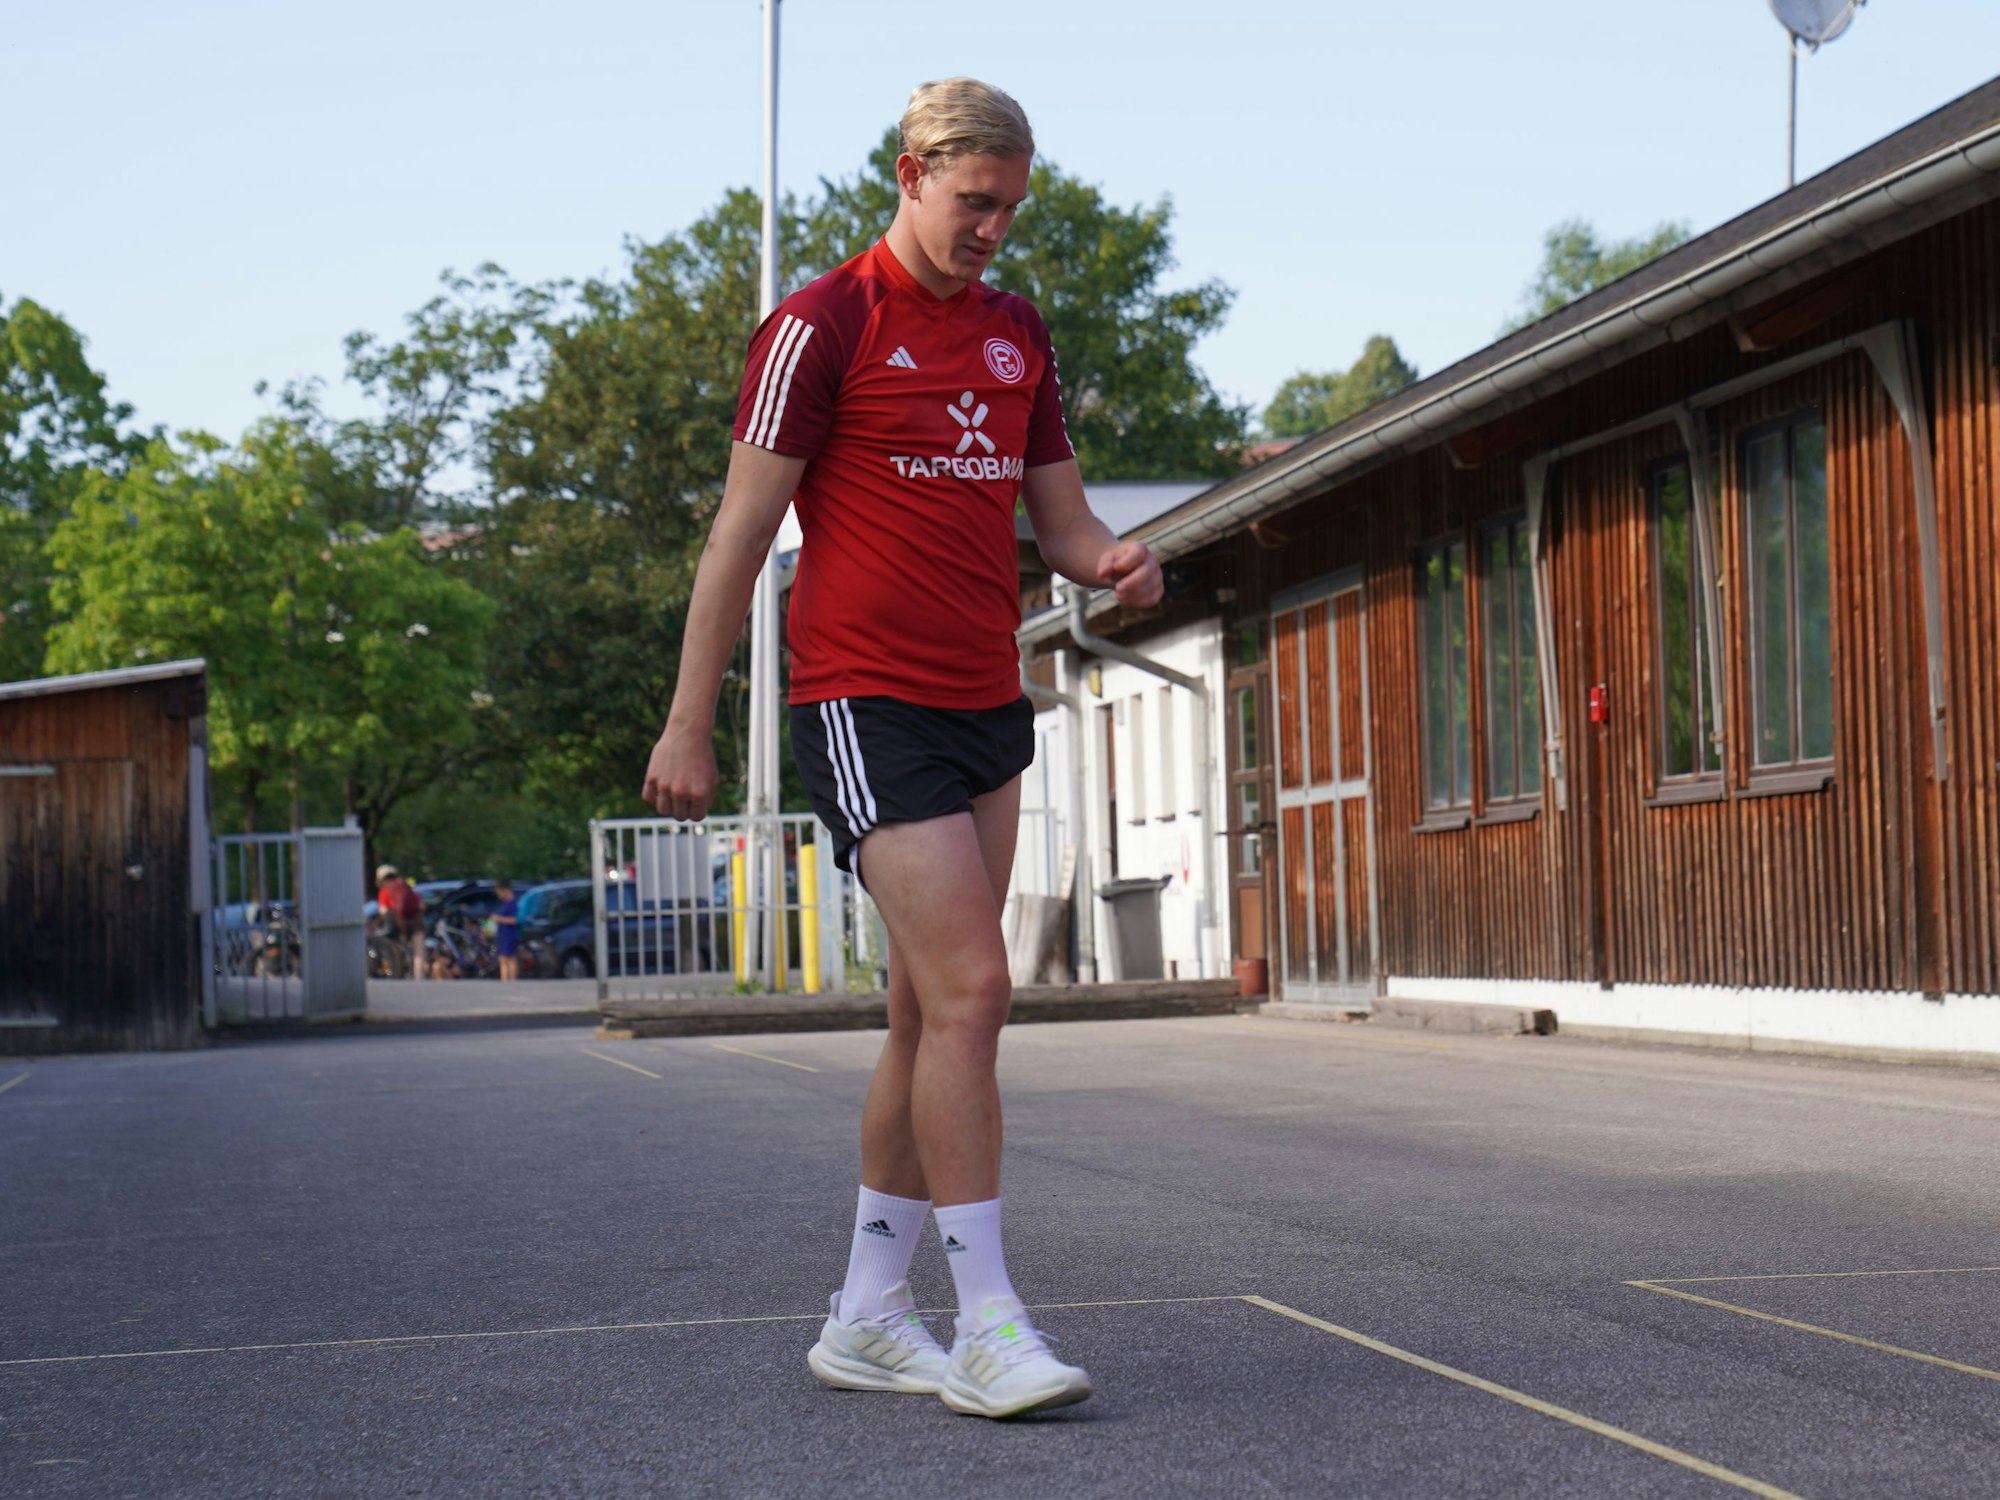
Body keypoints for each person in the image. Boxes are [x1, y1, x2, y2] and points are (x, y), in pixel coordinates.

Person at [643, 78, 1162, 1419]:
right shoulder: (822, 325)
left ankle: (869, 1313)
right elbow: (741, 539)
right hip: (862, 700)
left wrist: (1114, 563)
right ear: (911, 173)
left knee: (929, 1012)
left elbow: (1063, 528)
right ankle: (987, 1324)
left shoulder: (1017, 334)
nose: (993, 227)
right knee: (979, 991)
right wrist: (689, 720)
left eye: (1011, 206)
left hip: (984, 698)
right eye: (974, 200)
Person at [375, 864, 428, 980]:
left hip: (399, 924)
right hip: (415, 921)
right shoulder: (404, 886)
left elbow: (383, 911)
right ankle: (419, 979)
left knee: (397, 950)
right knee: (418, 953)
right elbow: (421, 905)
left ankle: (398, 975)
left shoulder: (384, 891)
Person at [493, 880, 521, 982]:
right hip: (503, 935)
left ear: (505, 890)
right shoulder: (504, 904)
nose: (498, 894)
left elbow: (514, 920)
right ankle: (505, 980)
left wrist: (499, 919)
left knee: (508, 958)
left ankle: (510, 981)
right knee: (503, 959)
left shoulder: (512, 904)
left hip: (509, 935)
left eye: (499, 892)